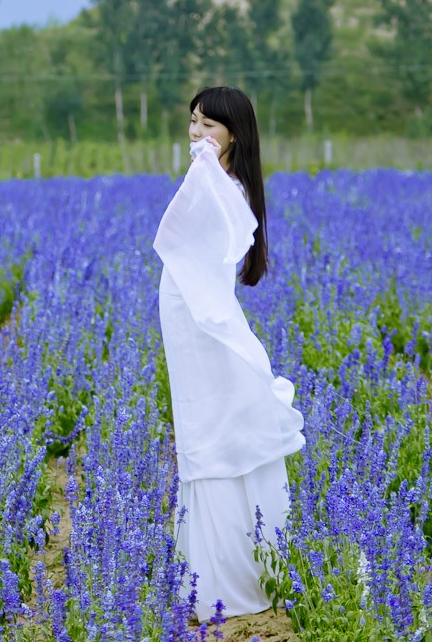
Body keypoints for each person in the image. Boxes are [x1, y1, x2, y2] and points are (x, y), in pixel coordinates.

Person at [152, 86, 306, 623]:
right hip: (192, 328)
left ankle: (226, 582)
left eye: (209, 126)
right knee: (207, 435)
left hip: (204, 329)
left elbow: (194, 245)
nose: (196, 134)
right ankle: (218, 574)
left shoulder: (222, 187)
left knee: (213, 436)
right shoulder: (215, 183)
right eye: (193, 122)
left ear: (234, 135)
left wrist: (206, 173)